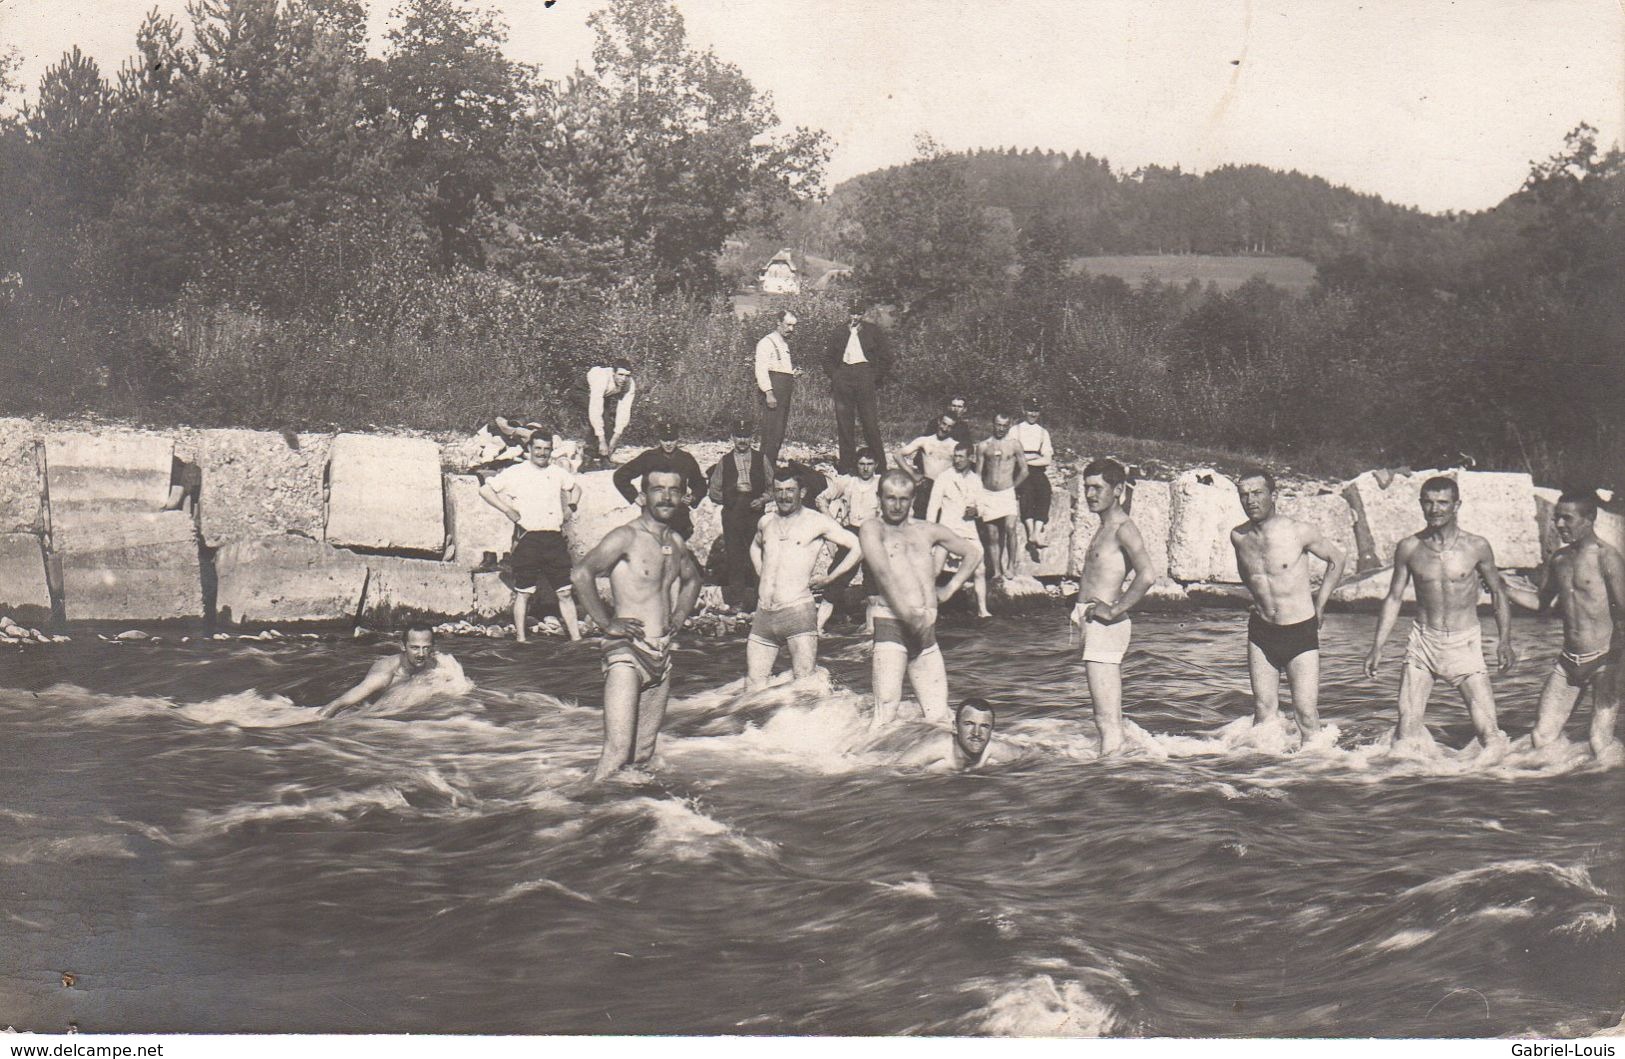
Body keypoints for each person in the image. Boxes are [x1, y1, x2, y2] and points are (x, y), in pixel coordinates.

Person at [1363, 476, 1515, 754]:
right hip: (1423, 643)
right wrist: (1377, 647)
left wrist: (1505, 640)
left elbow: (1498, 593)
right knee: (1405, 737)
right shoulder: (1409, 547)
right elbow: (1394, 597)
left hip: (1465, 644)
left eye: (1443, 503)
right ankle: (1414, 791)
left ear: (1457, 505)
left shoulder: (1476, 546)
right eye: (1429, 502)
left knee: (1491, 737)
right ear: (1421, 504)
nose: (1435, 509)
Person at [571, 469, 703, 782]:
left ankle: (621, 820)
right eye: (658, 489)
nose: (666, 496)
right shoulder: (625, 537)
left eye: (674, 489)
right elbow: (581, 573)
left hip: (662, 654)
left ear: (683, 497)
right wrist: (607, 623)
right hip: (626, 653)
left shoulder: (675, 542)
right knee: (617, 752)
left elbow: (693, 579)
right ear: (642, 497)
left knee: (642, 756)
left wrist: (681, 615)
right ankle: (579, 807)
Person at [1230, 469, 1349, 742]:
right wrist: (1258, 600)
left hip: (1299, 630)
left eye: (1258, 493)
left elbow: (1337, 560)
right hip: (1261, 631)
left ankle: (1315, 773)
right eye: (1244, 495)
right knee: (1263, 713)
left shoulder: (1299, 531)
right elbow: (1249, 575)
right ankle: (1269, 776)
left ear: (1274, 496)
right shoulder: (1239, 536)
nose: (1251, 500)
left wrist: (1320, 605)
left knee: (1305, 713)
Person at [862, 470, 983, 730]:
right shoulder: (873, 529)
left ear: (913, 499)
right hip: (891, 623)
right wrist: (907, 614)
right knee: (886, 714)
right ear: (879, 498)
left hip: (925, 629)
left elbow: (972, 552)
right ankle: (861, 764)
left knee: (939, 715)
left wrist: (948, 590)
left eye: (903, 499)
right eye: (890, 498)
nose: (896, 505)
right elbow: (883, 574)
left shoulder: (927, 530)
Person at [1509, 490, 1623, 759]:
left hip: (1605, 661)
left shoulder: (1607, 558)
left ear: (1590, 518)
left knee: (1599, 744)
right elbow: (1541, 603)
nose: (1559, 525)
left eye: (1567, 519)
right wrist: (1503, 590)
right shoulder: (1559, 559)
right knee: (1542, 737)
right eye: (1556, 518)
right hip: (1568, 661)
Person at [747, 469, 862, 688]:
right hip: (764, 614)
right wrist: (761, 571)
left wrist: (830, 578)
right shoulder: (766, 521)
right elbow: (755, 546)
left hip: (797, 613)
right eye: (778, 490)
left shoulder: (816, 521)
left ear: (803, 492)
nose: (784, 496)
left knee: (805, 687)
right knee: (753, 685)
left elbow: (857, 546)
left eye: (790, 490)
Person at [1072, 459, 1157, 755]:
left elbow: (1147, 574)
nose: (1090, 494)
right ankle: (1114, 768)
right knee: (1106, 719)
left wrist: (1114, 609)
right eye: (1086, 488)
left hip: (1106, 626)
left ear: (1118, 490)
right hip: (1093, 624)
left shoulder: (1123, 528)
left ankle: (1109, 776)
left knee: (1106, 720)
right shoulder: (1106, 526)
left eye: (1097, 488)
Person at [479, 434, 583, 642]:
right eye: (538, 448)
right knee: (524, 593)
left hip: (554, 539)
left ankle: (577, 640)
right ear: (529, 449)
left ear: (551, 450)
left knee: (564, 592)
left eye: (546, 449)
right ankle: (521, 640)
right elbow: (485, 490)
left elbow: (576, 488)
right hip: (528, 539)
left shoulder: (557, 472)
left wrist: (571, 506)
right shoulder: (515, 472)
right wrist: (506, 509)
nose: (542, 453)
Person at [924, 440, 993, 618]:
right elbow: (933, 507)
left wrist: (976, 511)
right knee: (935, 569)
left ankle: (982, 610)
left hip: (968, 530)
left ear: (970, 458)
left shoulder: (976, 480)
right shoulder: (944, 477)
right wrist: (931, 535)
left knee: (980, 569)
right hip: (946, 530)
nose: (957, 460)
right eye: (955, 456)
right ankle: (924, 605)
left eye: (961, 457)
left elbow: (984, 506)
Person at [706, 420, 769, 610]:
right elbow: (713, 491)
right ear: (732, 438)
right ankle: (737, 602)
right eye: (739, 436)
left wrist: (763, 499)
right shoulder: (724, 461)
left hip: (754, 511)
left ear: (752, 438)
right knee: (735, 556)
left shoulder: (761, 459)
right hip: (732, 513)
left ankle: (762, 601)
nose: (742, 440)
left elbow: (773, 486)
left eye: (746, 436)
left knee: (758, 554)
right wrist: (730, 498)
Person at [824, 304, 892, 474]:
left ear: (864, 313)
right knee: (844, 423)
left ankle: (879, 466)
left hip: (865, 376)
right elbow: (827, 358)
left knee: (869, 422)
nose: (855, 317)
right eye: (853, 313)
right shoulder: (839, 331)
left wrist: (873, 377)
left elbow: (886, 357)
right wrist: (836, 376)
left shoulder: (873, 331)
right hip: (844, 376)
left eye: (859, 313)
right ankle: (847, 467)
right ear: (848, 313)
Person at [318, 624, 442, 718]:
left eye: (426, 648)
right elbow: (339, 703)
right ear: (403, 646)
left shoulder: (434, 664)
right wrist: (314, 726)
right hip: (361, 714)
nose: (421, 654)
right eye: (415, 648)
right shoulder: (385, 674)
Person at [612, 418, 706, 540]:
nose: (668, 444)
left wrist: (693, 497)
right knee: (653, 550)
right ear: (659, 439)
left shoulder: (686, 459)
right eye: (665, 439)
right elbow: (620, 476)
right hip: (653, 514)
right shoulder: (648, 457)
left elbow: (700, 484)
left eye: (672, 439)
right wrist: (635, 496)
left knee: (676, 551)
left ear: (677, 439)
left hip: (678, 514)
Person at [976, 413, 1028, 583]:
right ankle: (997, 571)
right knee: (992, 534)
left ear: (1009, 425)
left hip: (1007, 492)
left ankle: (1011, 565)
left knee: (1010, 527)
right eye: (998, 424)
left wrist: (1012, 487)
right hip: (989, 493)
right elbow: (977, 474)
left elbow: (1024, 470)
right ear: (993, 424)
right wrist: (977, 495)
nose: (1000, 428)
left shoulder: (1014, 445)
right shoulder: (984, 446)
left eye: (1004, 425)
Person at [893, 698, 1005, 771]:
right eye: (969, 724)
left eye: (984, 726)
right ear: (955, 727)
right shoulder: (935, 748)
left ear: (992, 730)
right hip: (904, 737)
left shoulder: (998, 749)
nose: (976, 733)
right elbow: (893, 771)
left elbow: (1022, 757)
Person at [754, 310, 799, 465]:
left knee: (778, 432)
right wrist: (769, 393)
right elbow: (761, 370)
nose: (791, 329)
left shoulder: (783, 344)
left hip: (784, 390)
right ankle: (764, 470)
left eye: (794, 326)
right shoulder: (766, 342)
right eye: (788, 325)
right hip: (774, 391)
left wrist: (793, 373)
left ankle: (769, 467)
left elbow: (780, 367)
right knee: (771, 432)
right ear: (778, 323)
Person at [897, 412, 962, 519]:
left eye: (949, 427)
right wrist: (912, 474)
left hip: (945, 487)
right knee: (920, 521)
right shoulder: (925, 441)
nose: (945, 428)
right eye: (944, 424)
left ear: (953, 429)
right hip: (926, 487)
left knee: (942, 521)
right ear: (939, 422)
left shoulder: (955, 446)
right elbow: (898, 454)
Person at [1013, 400, 1055, 562]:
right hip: (1018, 470)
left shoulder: (1043, 433)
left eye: (1036, 411)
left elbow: (1046, 460)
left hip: (1036, 470)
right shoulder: (1015, 430)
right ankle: (1031, 531)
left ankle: (1036, 532)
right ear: (1024, 410)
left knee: (1045, 490)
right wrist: (1032, 457)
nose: (1033, 414)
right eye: (1030, 410)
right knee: (1027, 491)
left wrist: (1026, 460)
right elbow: (1013, 455)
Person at [584, 359, 637, 463]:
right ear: (613, 373)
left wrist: (615, 438)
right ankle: (587, 458)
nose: (623, 379)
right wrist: (602, 440)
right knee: (601, 419)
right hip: (582, 390)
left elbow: (624, 410)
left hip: (604, 394)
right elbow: (595, 410)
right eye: (620, 374)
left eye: (627, 375)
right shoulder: (601, 379)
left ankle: (604, 456)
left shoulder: (630, 384)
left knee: (610, 420)